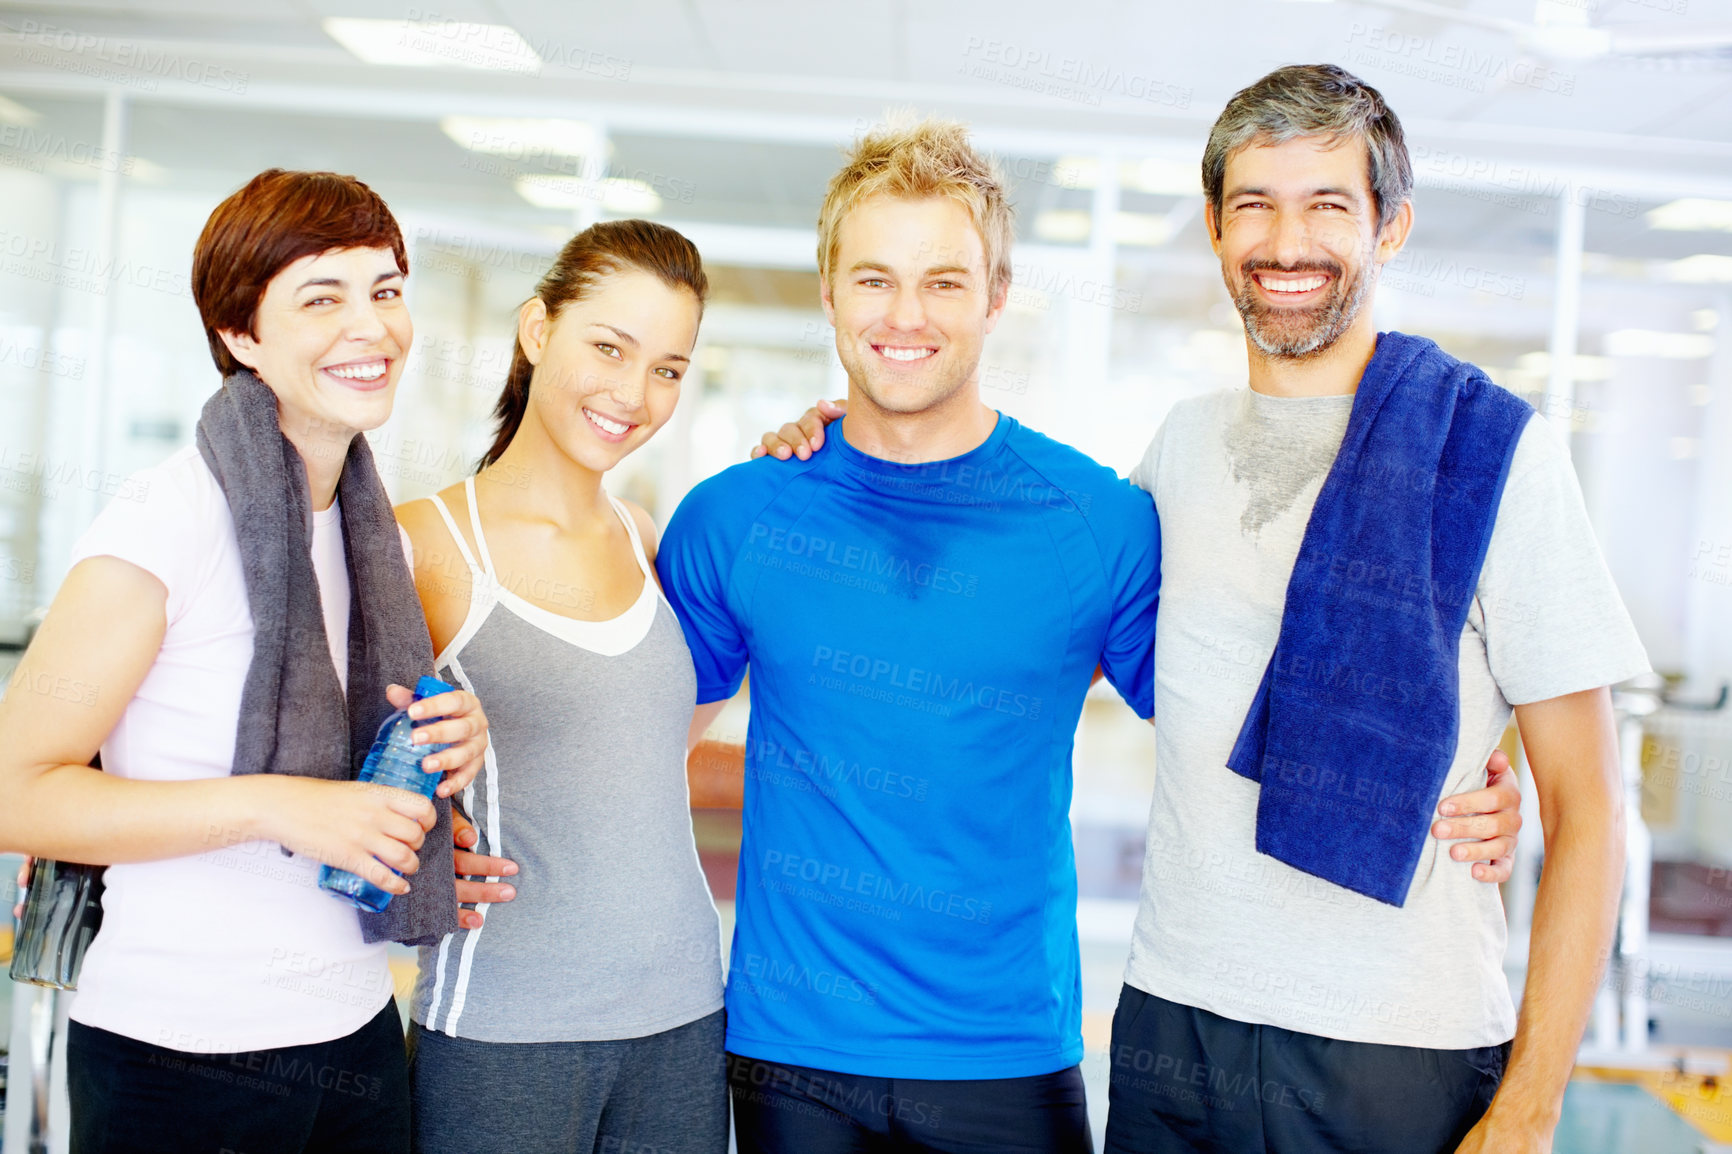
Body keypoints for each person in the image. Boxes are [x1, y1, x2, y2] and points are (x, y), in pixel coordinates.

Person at [766, 67, 1645, 1154]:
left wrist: (1527, 1108)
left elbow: (1591, 805)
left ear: (1391, 224)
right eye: (1254, 205)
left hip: (1391, 1050)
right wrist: (852, 440)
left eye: (1328, 203)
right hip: (1172, 1036)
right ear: (1215, 230)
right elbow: (1019, 594)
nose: (1288, 242)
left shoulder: (1494, 457)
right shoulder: (1176, 450)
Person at [0, 169, 490, 1154]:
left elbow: (357, 770)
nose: (373, 325)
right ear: (239, 333)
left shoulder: (369, 534)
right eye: (323, 296)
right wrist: (276, 804)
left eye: (386, 289)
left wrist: (448, 760)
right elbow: (16, 788)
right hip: (177, 1053)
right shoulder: (167, 518)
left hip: (351, 1028)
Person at [396, 219, 727, 1154]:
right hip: (507, 1028)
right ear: (538, 331)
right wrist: (418, 863)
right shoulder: (422, 543)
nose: (633, 393)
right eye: (608, 348)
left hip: (684, 1017)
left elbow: (645, 749)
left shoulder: (648, 537)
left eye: (667, 367)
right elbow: (336, 764)